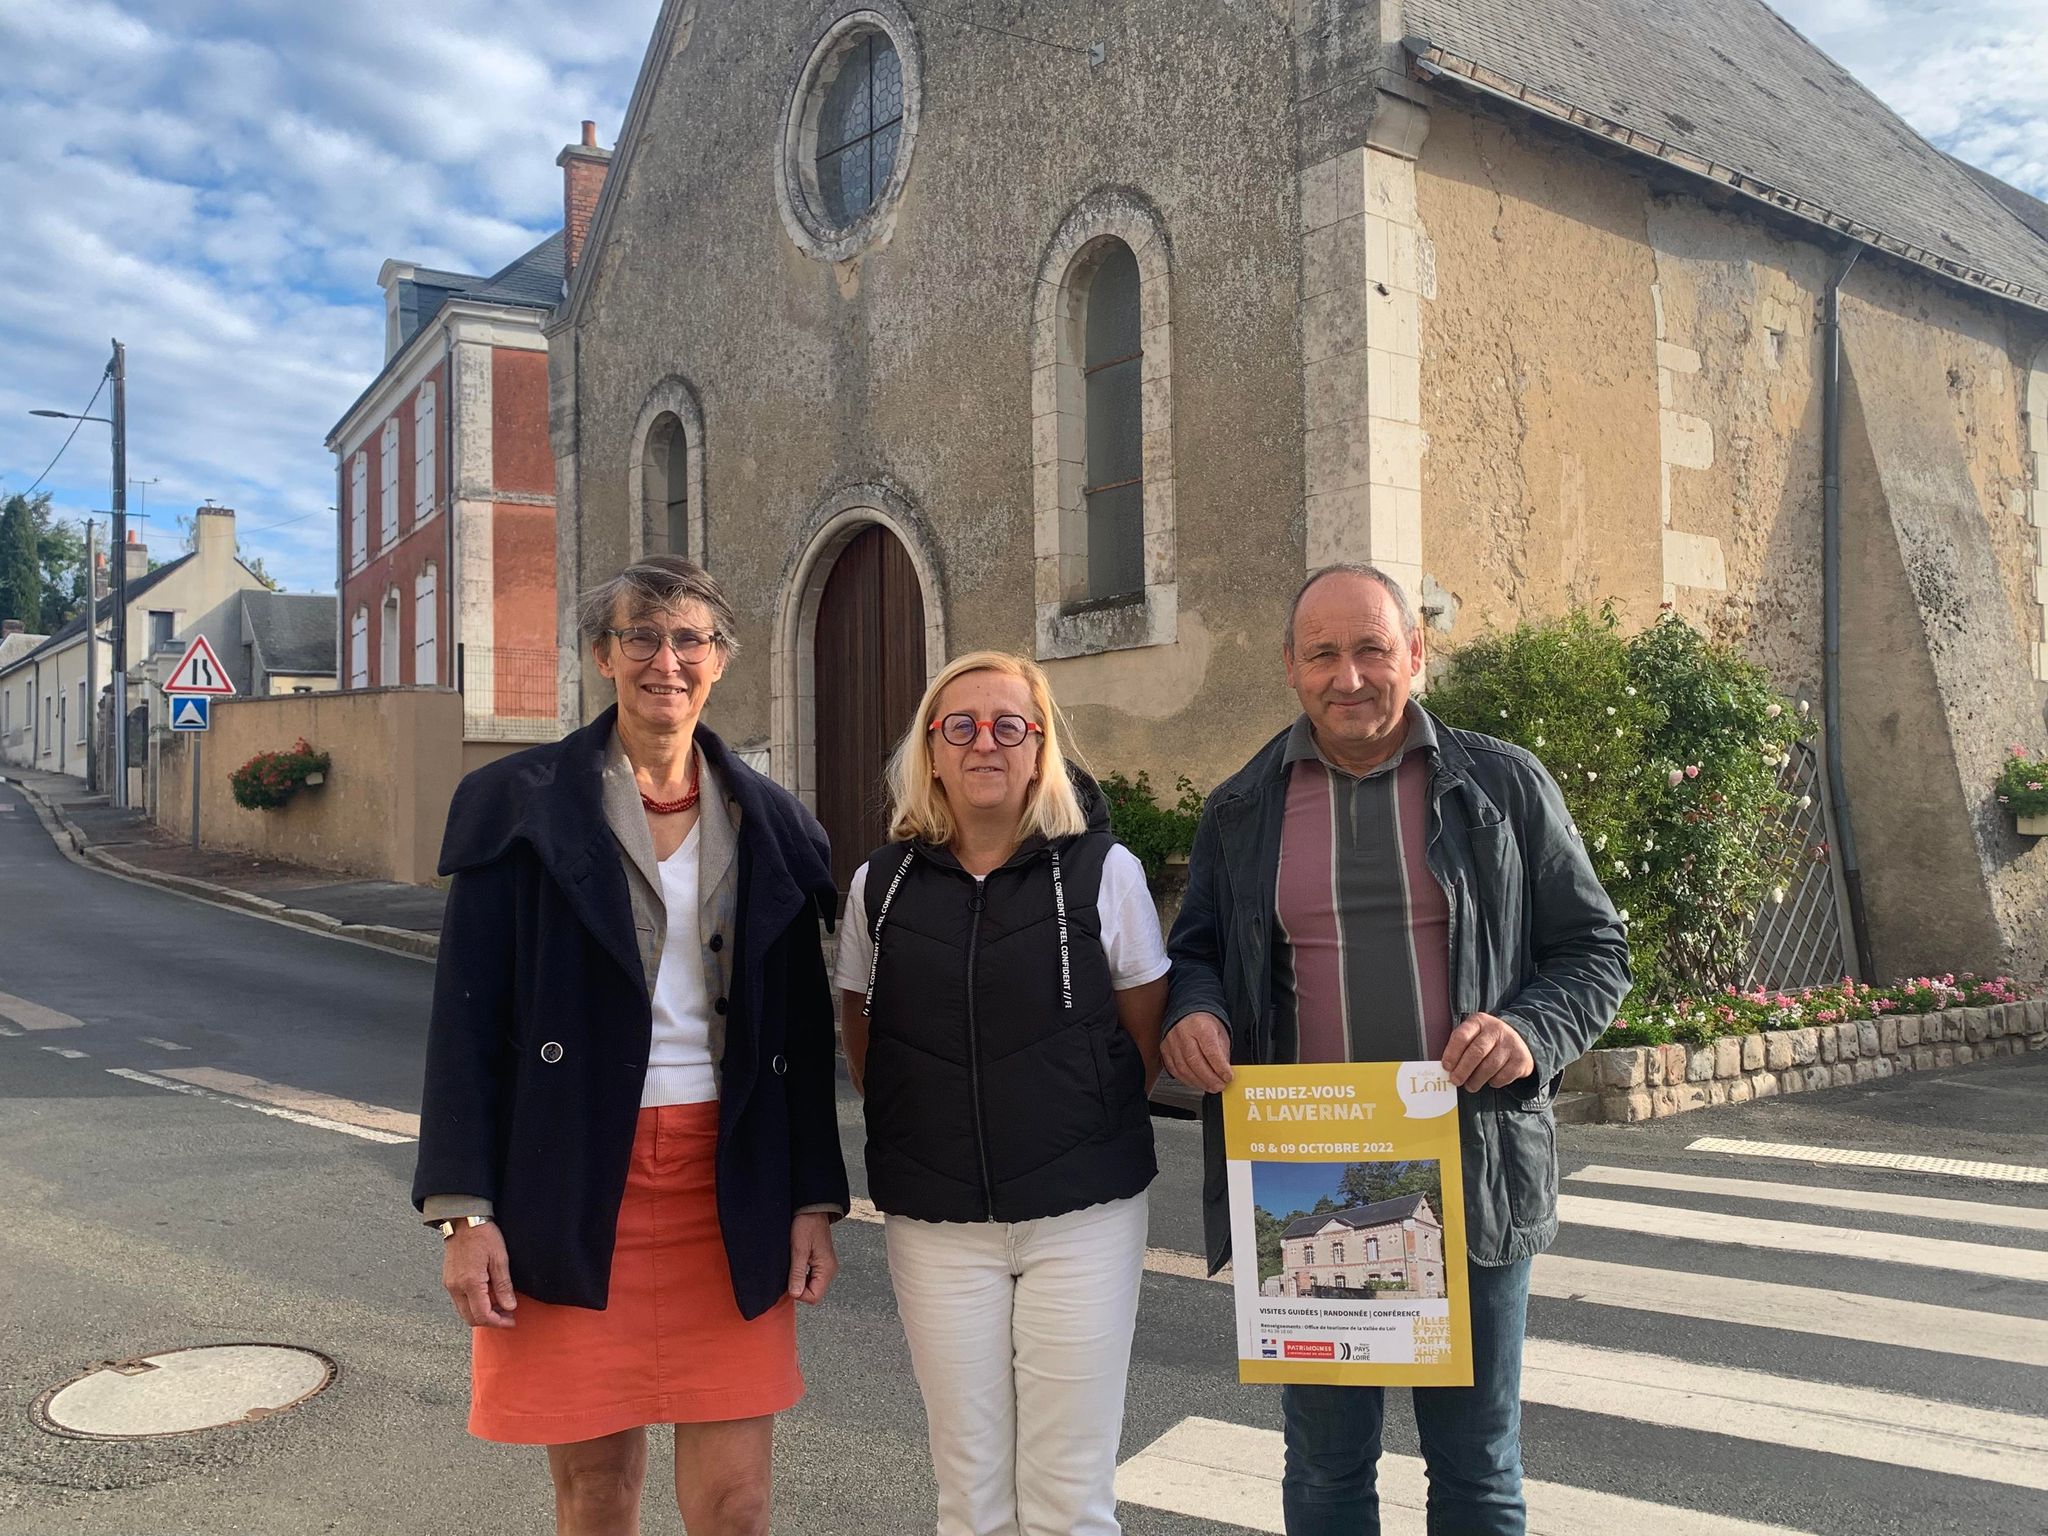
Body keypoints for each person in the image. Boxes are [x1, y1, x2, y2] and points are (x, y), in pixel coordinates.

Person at [1161, 564, 1630, 1536]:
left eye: (1371, 647)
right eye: (1323, 653)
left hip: (1470, 1177)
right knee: (1327, 1475)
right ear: (1289, 666)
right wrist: (1193, 1013)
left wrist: (1528, 1032)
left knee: (1474, 1475)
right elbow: (1196, 950)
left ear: (1414, 654)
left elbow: (1592, 952)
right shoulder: (1241, 808)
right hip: (1308, 1183)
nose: (1349, 675)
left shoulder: (1499, 787)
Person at [412, 555, 849, 1536]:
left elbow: (800, 1035)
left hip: (725, 1185)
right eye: (640, 638)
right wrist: (463, 1212)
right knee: (596, 1494)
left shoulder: (775, 826)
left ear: (720, 661)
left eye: (689, 639)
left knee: (736, 1507)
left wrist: (814, 1198)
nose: (666, 660)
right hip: (574, 1177)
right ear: (604, 657)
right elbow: (466, 1023)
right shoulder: (517, 807)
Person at [834, 650, 1169, 1536]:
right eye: (961, 726)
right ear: (931, 751)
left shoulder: (1106, 872)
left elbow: (1141, 1033)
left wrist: (1073, 1122)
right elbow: (864, 1029)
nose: (986, 742)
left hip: (1081, 1219)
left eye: (1008, 725)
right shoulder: (882, 883)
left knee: (1069, 1497)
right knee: (971, 1494)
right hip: (938, 1226)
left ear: (1039, 746)